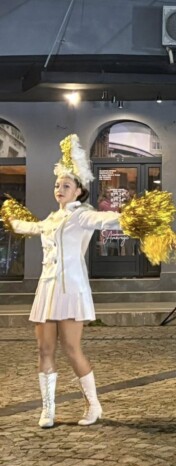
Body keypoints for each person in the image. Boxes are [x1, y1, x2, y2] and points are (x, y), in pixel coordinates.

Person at [4, 135, 123, 428]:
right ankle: (48, 409)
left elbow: (106, 220)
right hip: (47, 289)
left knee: (71, 349)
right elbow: (31, 227)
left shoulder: (82, 215)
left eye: (66, 185)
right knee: (44, 350)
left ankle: (93, 405)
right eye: (58, 185)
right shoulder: (52, 218)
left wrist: (131, 217)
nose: (60, 189)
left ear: (79, 191)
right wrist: (8, 216)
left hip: (71, 290)